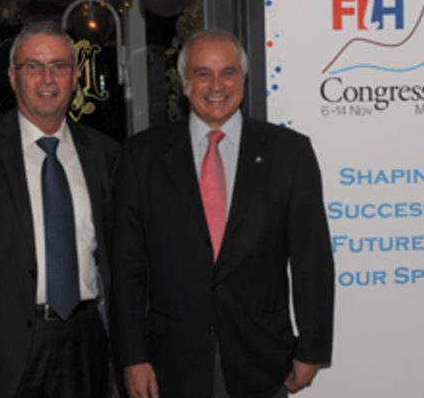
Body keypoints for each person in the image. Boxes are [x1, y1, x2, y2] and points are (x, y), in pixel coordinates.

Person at [110, 28, 335, 398]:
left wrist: (312, 348)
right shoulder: (141, 156)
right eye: (203, 73)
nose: (216, 85)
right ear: (184, 84)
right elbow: (126, 267)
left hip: (263, 357)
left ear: (243, 81)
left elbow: (312, 260)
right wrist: (133, 356)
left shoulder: (290, 154)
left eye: (228, 72)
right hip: (169, 362)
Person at [0, 21, 120, 398]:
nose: (47, 78)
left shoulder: (104, 153)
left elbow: (118, 258)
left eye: (59, 66)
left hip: (86, 343)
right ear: (13, 78)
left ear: (75, 77)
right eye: (33, 66)